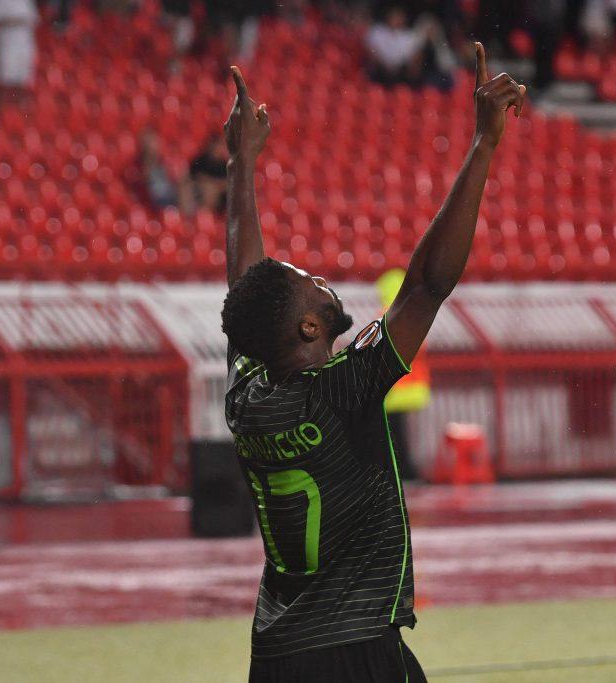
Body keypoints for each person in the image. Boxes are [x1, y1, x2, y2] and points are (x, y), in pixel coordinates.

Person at [221, 44, 525, 680]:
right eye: (310, 281)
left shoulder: (246, 394)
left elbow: (247, 284)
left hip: (275, 656)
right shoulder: (341, 389)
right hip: (356, 647)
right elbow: (425, 285)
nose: (321, 278)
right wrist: (483, 146)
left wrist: (242, 163)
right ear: (308, 326)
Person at [377, 268, 431, 482]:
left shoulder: (387, 316)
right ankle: (407, 470)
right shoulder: (414, 314)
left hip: (395, 388)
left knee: (394, 434)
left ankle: (403, 471)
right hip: (411, 386)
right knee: (402, 433)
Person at [0, 0, 39, 105]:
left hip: (24, 46)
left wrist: (18, 21)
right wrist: (15, 21)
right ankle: (3, 113)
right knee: (4, 80)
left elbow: (34, 19)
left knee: (22, 82)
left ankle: (17, 114)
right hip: (6, 45)